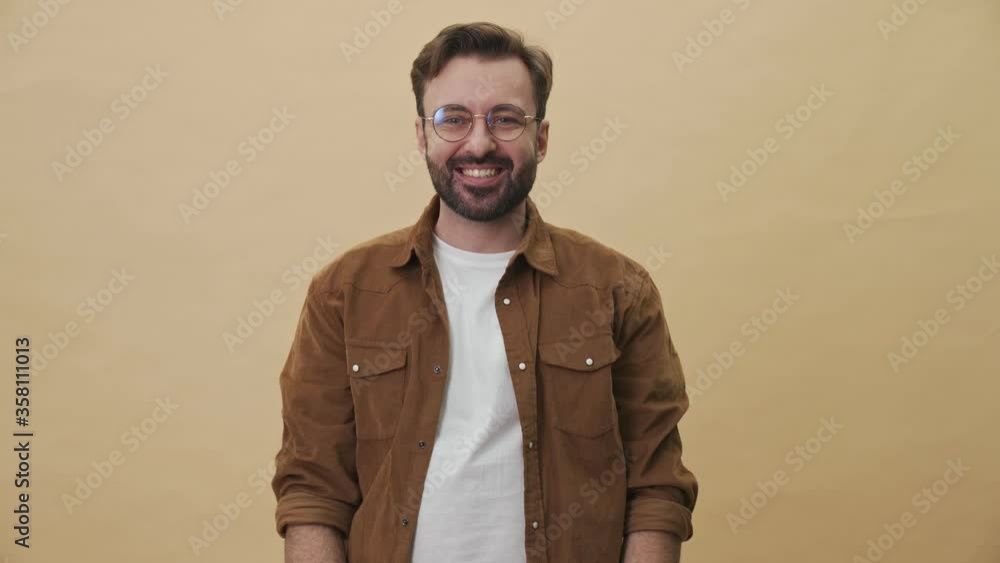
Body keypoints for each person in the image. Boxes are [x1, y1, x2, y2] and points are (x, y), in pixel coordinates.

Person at [271, 21, 698, 563]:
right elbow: (312, 491)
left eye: (506, 119)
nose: (479, 142)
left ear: (540, 139)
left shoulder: (617, 290)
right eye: (454, 119)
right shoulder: (344, 292)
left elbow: (656, 489)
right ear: (422, 135)